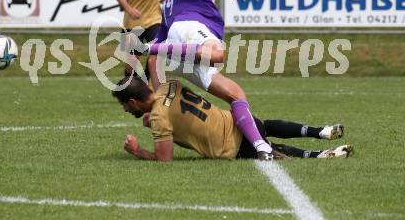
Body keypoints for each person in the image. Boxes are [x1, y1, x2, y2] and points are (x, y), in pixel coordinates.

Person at [126, 0, 275, 160]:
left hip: (182, 53)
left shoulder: (171, 5)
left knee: (236, 95)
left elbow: (156, 55)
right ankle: (149, 47)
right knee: (217, 54)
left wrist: (158, 103)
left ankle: (261, 146)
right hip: (189, 33)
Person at [112, 77, 353, 162]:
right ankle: (319, 131)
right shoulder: (169, 86)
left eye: (123, 105)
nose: (124, 110)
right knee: (266, 126)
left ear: (133, 102)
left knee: (274, 150)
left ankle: (320, 155)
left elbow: (164, 159)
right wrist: (152, 120)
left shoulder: (159, 117)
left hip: (232, 146)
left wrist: (137, 151)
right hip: (236, 120)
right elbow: (175, 113)